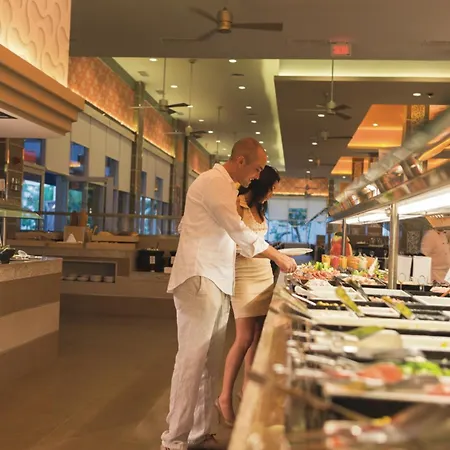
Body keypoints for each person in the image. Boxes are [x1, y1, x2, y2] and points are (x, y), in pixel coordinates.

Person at [161, 138, 297, 450]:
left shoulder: (225, 185)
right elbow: (238, 231)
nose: (258, 175)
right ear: (240, 161)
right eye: (257, 169)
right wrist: (277, 256)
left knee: (209, 363)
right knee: (192, 361)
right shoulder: (214, 182)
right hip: (199, 277)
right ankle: (174, 440)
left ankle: (199, 433)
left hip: (217, 280)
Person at [216, 165, 280, 426]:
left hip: (264, 274)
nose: (273, 193)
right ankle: (224, 397)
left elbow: (259, 242)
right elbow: (234, 243)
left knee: (257, 338)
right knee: (243, 339)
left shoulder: (260, 208)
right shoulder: (237, 204)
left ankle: (248, 390)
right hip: (243, 276)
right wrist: (273, 254)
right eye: (272, 188)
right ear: (261, 184)